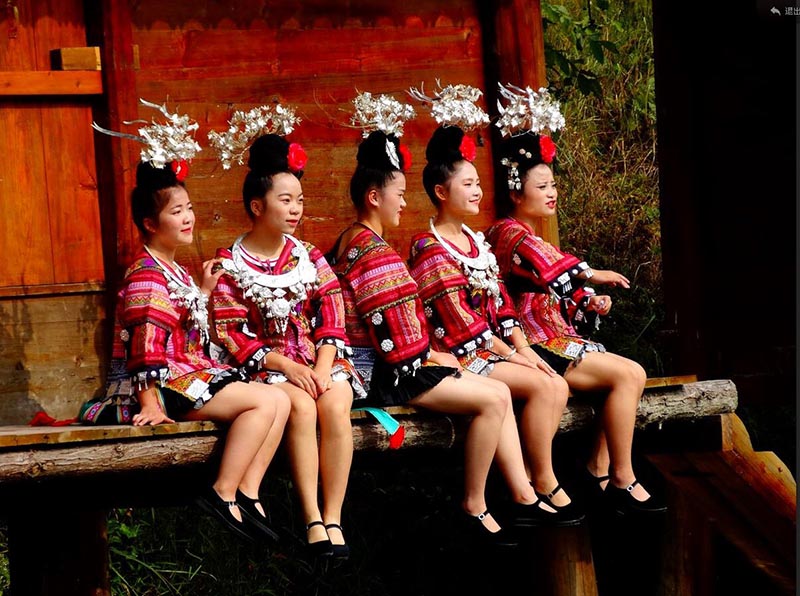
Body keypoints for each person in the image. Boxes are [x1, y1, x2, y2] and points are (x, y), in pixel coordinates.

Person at [327, 92, 567, 548]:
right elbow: (395, 337)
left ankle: (514, 491)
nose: (403, 204)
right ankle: (477, 502)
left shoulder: (361, 242)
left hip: (407, 359)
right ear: (374, 197)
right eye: (398, 195)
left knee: (506, 390)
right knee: (495, 397)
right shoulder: (376, 250)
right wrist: (437, 355)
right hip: (392, 372)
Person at [83, 100, 291, 543]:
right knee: (263, 403)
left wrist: (200, 292)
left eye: (189, 208)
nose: (188, 217)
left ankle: (247, 492)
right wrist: (151, 404)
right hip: (160, 387)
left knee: (280, 400)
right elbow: (145, 345)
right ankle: (222, 491)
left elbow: (180, 326)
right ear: (148, 222)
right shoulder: (145, 274)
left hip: (186, 374)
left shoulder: (173, 270)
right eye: (176, 212)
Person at [406, 83, 583, 523]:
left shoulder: (475, 241)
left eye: (479, 182)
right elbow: (456, 320)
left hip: (492, 348)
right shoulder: (428, 246)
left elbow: (503, 305)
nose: (477, 191)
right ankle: (530, 485)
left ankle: (535, 479)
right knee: (543, 384)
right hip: (460, 353)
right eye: (467, 184)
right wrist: (512, 355)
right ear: (441, 192)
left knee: (553, 382)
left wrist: (524, 350)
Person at [485, 83, 665, 515]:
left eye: (553, 184)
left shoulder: (533, 235)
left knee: (627, 375)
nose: (552, 193)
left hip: (558, 335)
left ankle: (602, 467)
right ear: (515, 190)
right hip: (533, 343)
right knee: (630, 375)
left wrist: (588, 301)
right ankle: (617, 476)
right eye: (542, 185)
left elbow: (557, 282)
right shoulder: (507, 233)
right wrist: (590, 274)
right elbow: (551, 269)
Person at [209, 108, 359, 559]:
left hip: (318, 361)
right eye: (285, 200)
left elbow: (332, 312)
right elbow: (230, 333)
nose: (296, 210)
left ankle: (334, 517)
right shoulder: (231, 262)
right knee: (298, 403)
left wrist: (321, 366)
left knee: (334, 402)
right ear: (258, 206)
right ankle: (310, 516)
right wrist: (288, 367)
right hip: (269, 368)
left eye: (299, 200)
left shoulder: (310, 256)